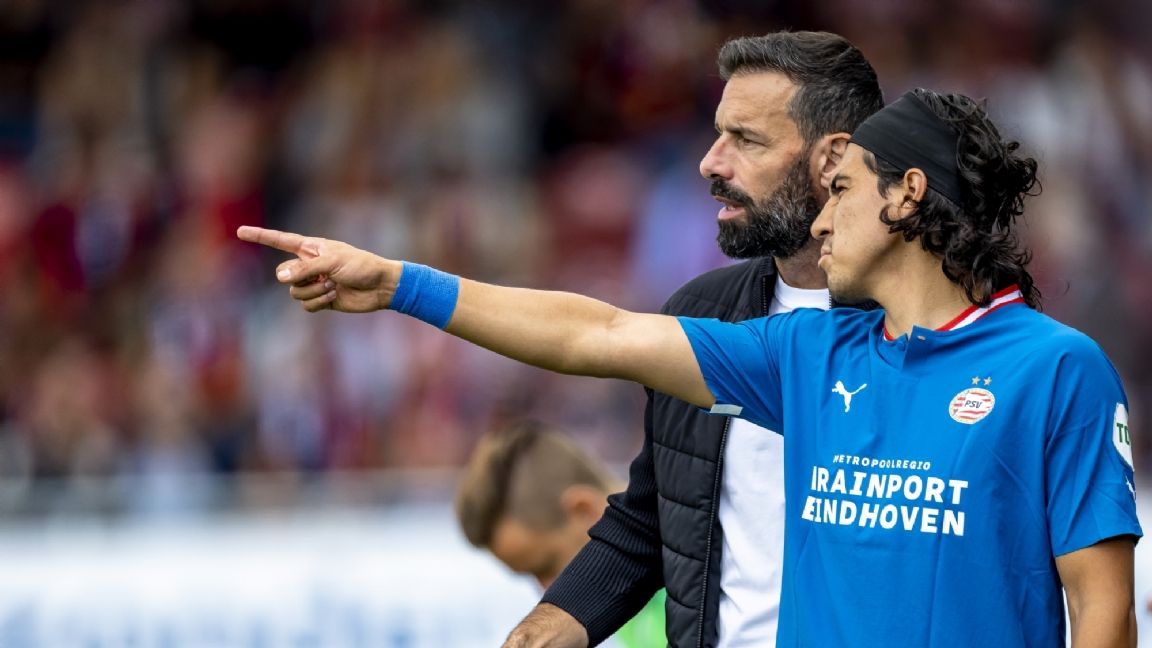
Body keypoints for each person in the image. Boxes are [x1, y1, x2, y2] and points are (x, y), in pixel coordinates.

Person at [238, 86, 1141, 646]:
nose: (819, 221)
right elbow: (595, 335)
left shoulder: (1056, 370)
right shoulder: (806, 353)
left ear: (907, 195)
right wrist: (402, 284)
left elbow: (1102, 611)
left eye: (839, 191)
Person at [512, 31, 884, 648]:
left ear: (832, 159)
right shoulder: (702, 313)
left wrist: (400, 285)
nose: (711, 163)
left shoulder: (932, 332)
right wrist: (545, 628)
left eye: (747, 139)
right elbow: (655, 517)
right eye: (718, 134)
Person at [455, 420, 664, 648]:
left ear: (584, 510)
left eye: (548, 567)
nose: (545, 592)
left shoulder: (683, 582)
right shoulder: (627, 605)